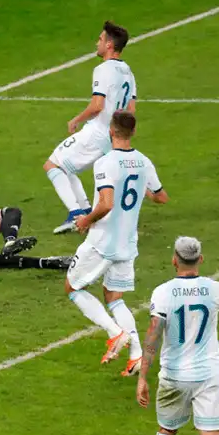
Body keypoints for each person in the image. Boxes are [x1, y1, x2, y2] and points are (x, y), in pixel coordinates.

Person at [65, 110, 168, 374]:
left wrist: (85, 220)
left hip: (102, 241)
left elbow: (106, 204)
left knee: (73, 288)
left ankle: (115, 333)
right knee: (114, 297)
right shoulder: (144, 162)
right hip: (127, 243)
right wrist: (140, 188)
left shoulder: (105, 163)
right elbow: (161, 197)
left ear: (111, 131)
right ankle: (136, 355)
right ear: (133, 132)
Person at [136, 236, 219, 435]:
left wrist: (142, 377)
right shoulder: (216, 289)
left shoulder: (162, 292)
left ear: (174, 260)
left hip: (174, 375)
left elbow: (153, 336)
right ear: (201, 259)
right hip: (208, 375)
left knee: (167, 430)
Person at [44, 20, 137, 234]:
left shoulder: (103, 69)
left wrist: (76, 120)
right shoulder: (128, 72)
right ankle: (85, 209)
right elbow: (131, 110)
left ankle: (76, 215)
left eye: (101, 39)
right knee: (66, 166)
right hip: (113, 135)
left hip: (96, 132)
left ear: (109, 45)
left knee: (52, 165)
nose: (97, 43)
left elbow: (97, 105)